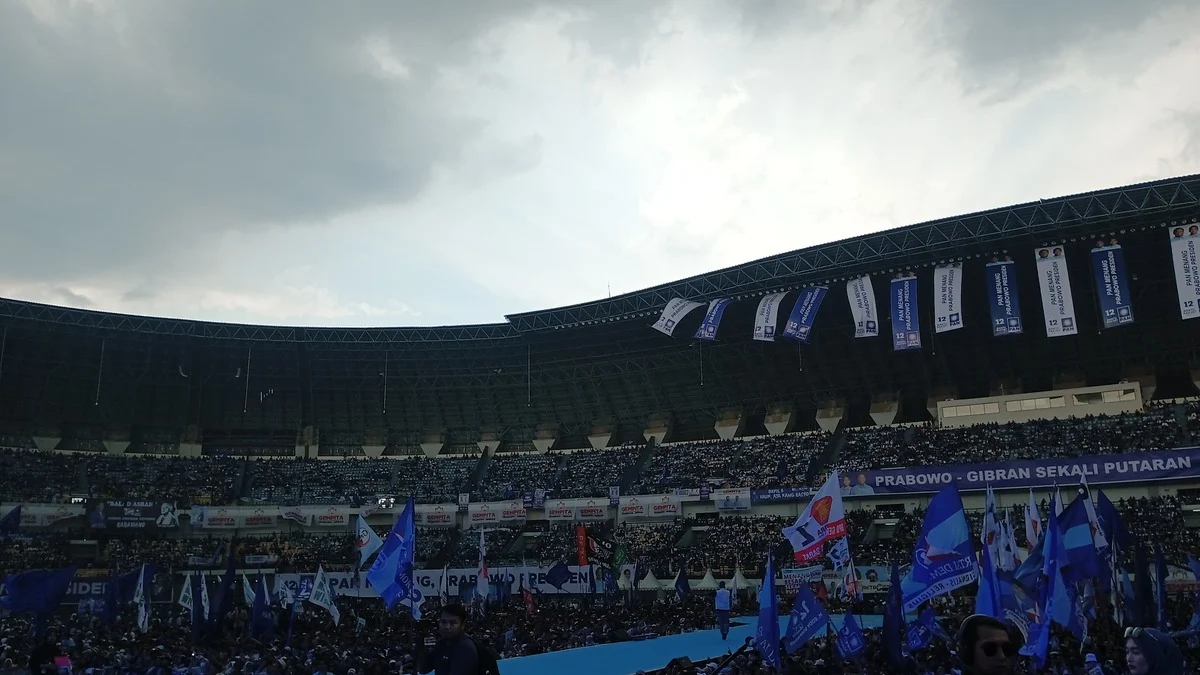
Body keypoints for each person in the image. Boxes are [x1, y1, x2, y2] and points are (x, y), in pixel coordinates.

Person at [419, 603, 481, 675]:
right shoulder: (442, 644)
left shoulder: (466, 648)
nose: (447, 627)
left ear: (462, 625)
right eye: (443, 622)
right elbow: (423, 669)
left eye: (453, 623)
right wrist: (420, 642)